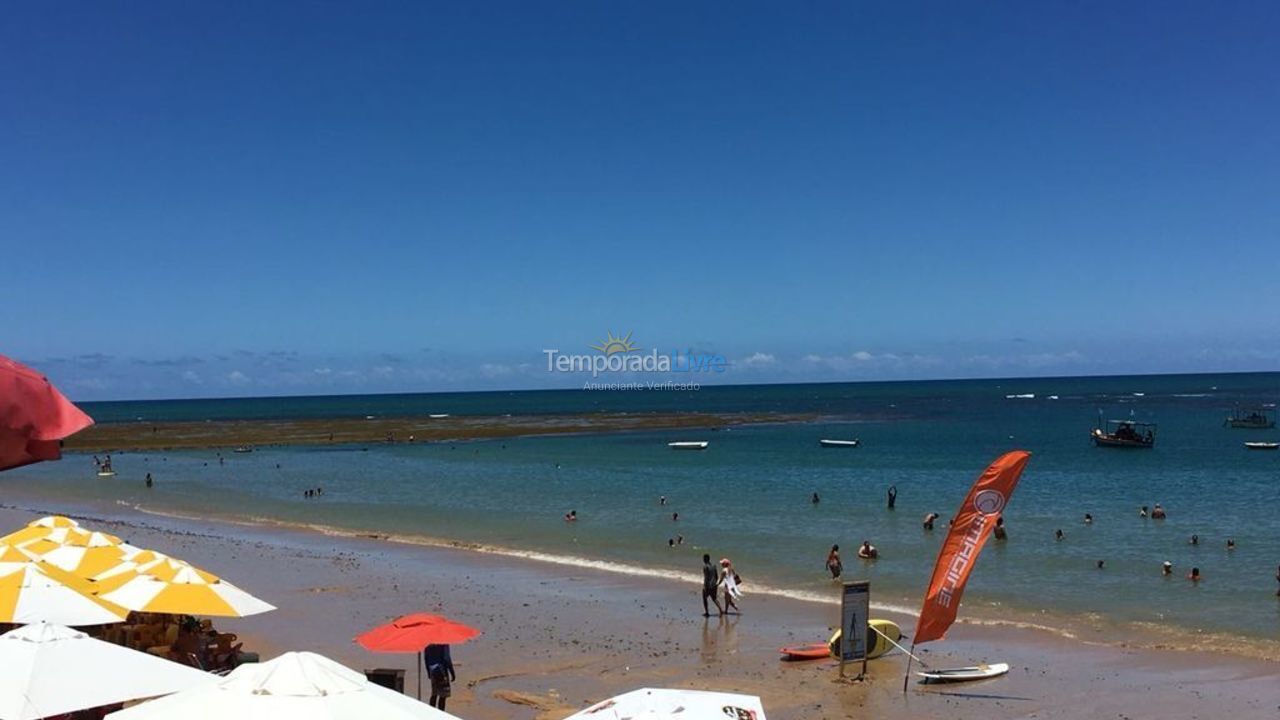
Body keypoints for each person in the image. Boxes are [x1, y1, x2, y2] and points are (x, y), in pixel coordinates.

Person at [424, 643, 455, 711]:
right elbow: (446, 658)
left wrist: (428, 672)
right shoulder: (444, 642)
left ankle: (430, 713)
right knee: (443, 695)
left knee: (434, 694)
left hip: (432, 670)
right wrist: (452, 672)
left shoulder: (428, 643)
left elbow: (426, 659)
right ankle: (440, 714)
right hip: (442, 670)